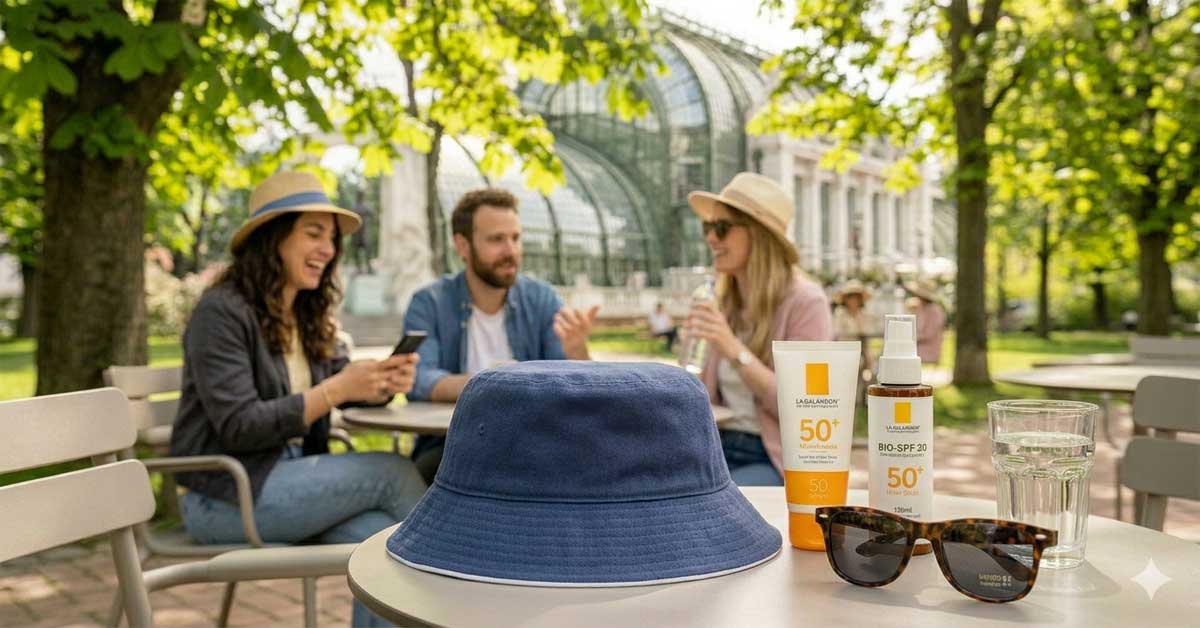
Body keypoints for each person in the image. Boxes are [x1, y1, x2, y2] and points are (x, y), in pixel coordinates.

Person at [169, 171, 426, 628]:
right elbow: (240, 426)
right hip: (228, 495)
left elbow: (338, 391)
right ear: (273, 238)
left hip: (290, 484)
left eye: (331, 237)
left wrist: (379, 383)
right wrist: (336, 389)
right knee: (396, 472)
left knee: (386, 551)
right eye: (313, 233)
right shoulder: (222, 312)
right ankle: (455, 598)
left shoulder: (305, 314)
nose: (328, 249)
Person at [403, 188, 598, 482]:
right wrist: (497, 379)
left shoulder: (543, 300)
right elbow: (419, 379)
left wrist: (578, 353)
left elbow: (574, 387)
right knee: (418, 479)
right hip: (451, 447)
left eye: (515, 238)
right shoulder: (429, 303)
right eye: (497, 239)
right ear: (462, 245)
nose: (511, 250)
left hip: (533, 445)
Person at [685, 172, 834, 486]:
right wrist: (691, 352)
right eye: (708, 227)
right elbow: (695, 392)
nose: (711, 239)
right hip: (713, 446)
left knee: (719, 503)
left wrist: (733, 349)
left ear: (759, 235)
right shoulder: (718, 298)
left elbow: (804, 408)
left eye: (722, 228)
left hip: (770, 456)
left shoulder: (806, 302)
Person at [906, 278, 946, 364]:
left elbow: (929, 334)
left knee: (899, 353)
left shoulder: (934, 310)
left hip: (928, 348)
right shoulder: (921, 308)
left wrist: (911, 339)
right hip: (918, 345)